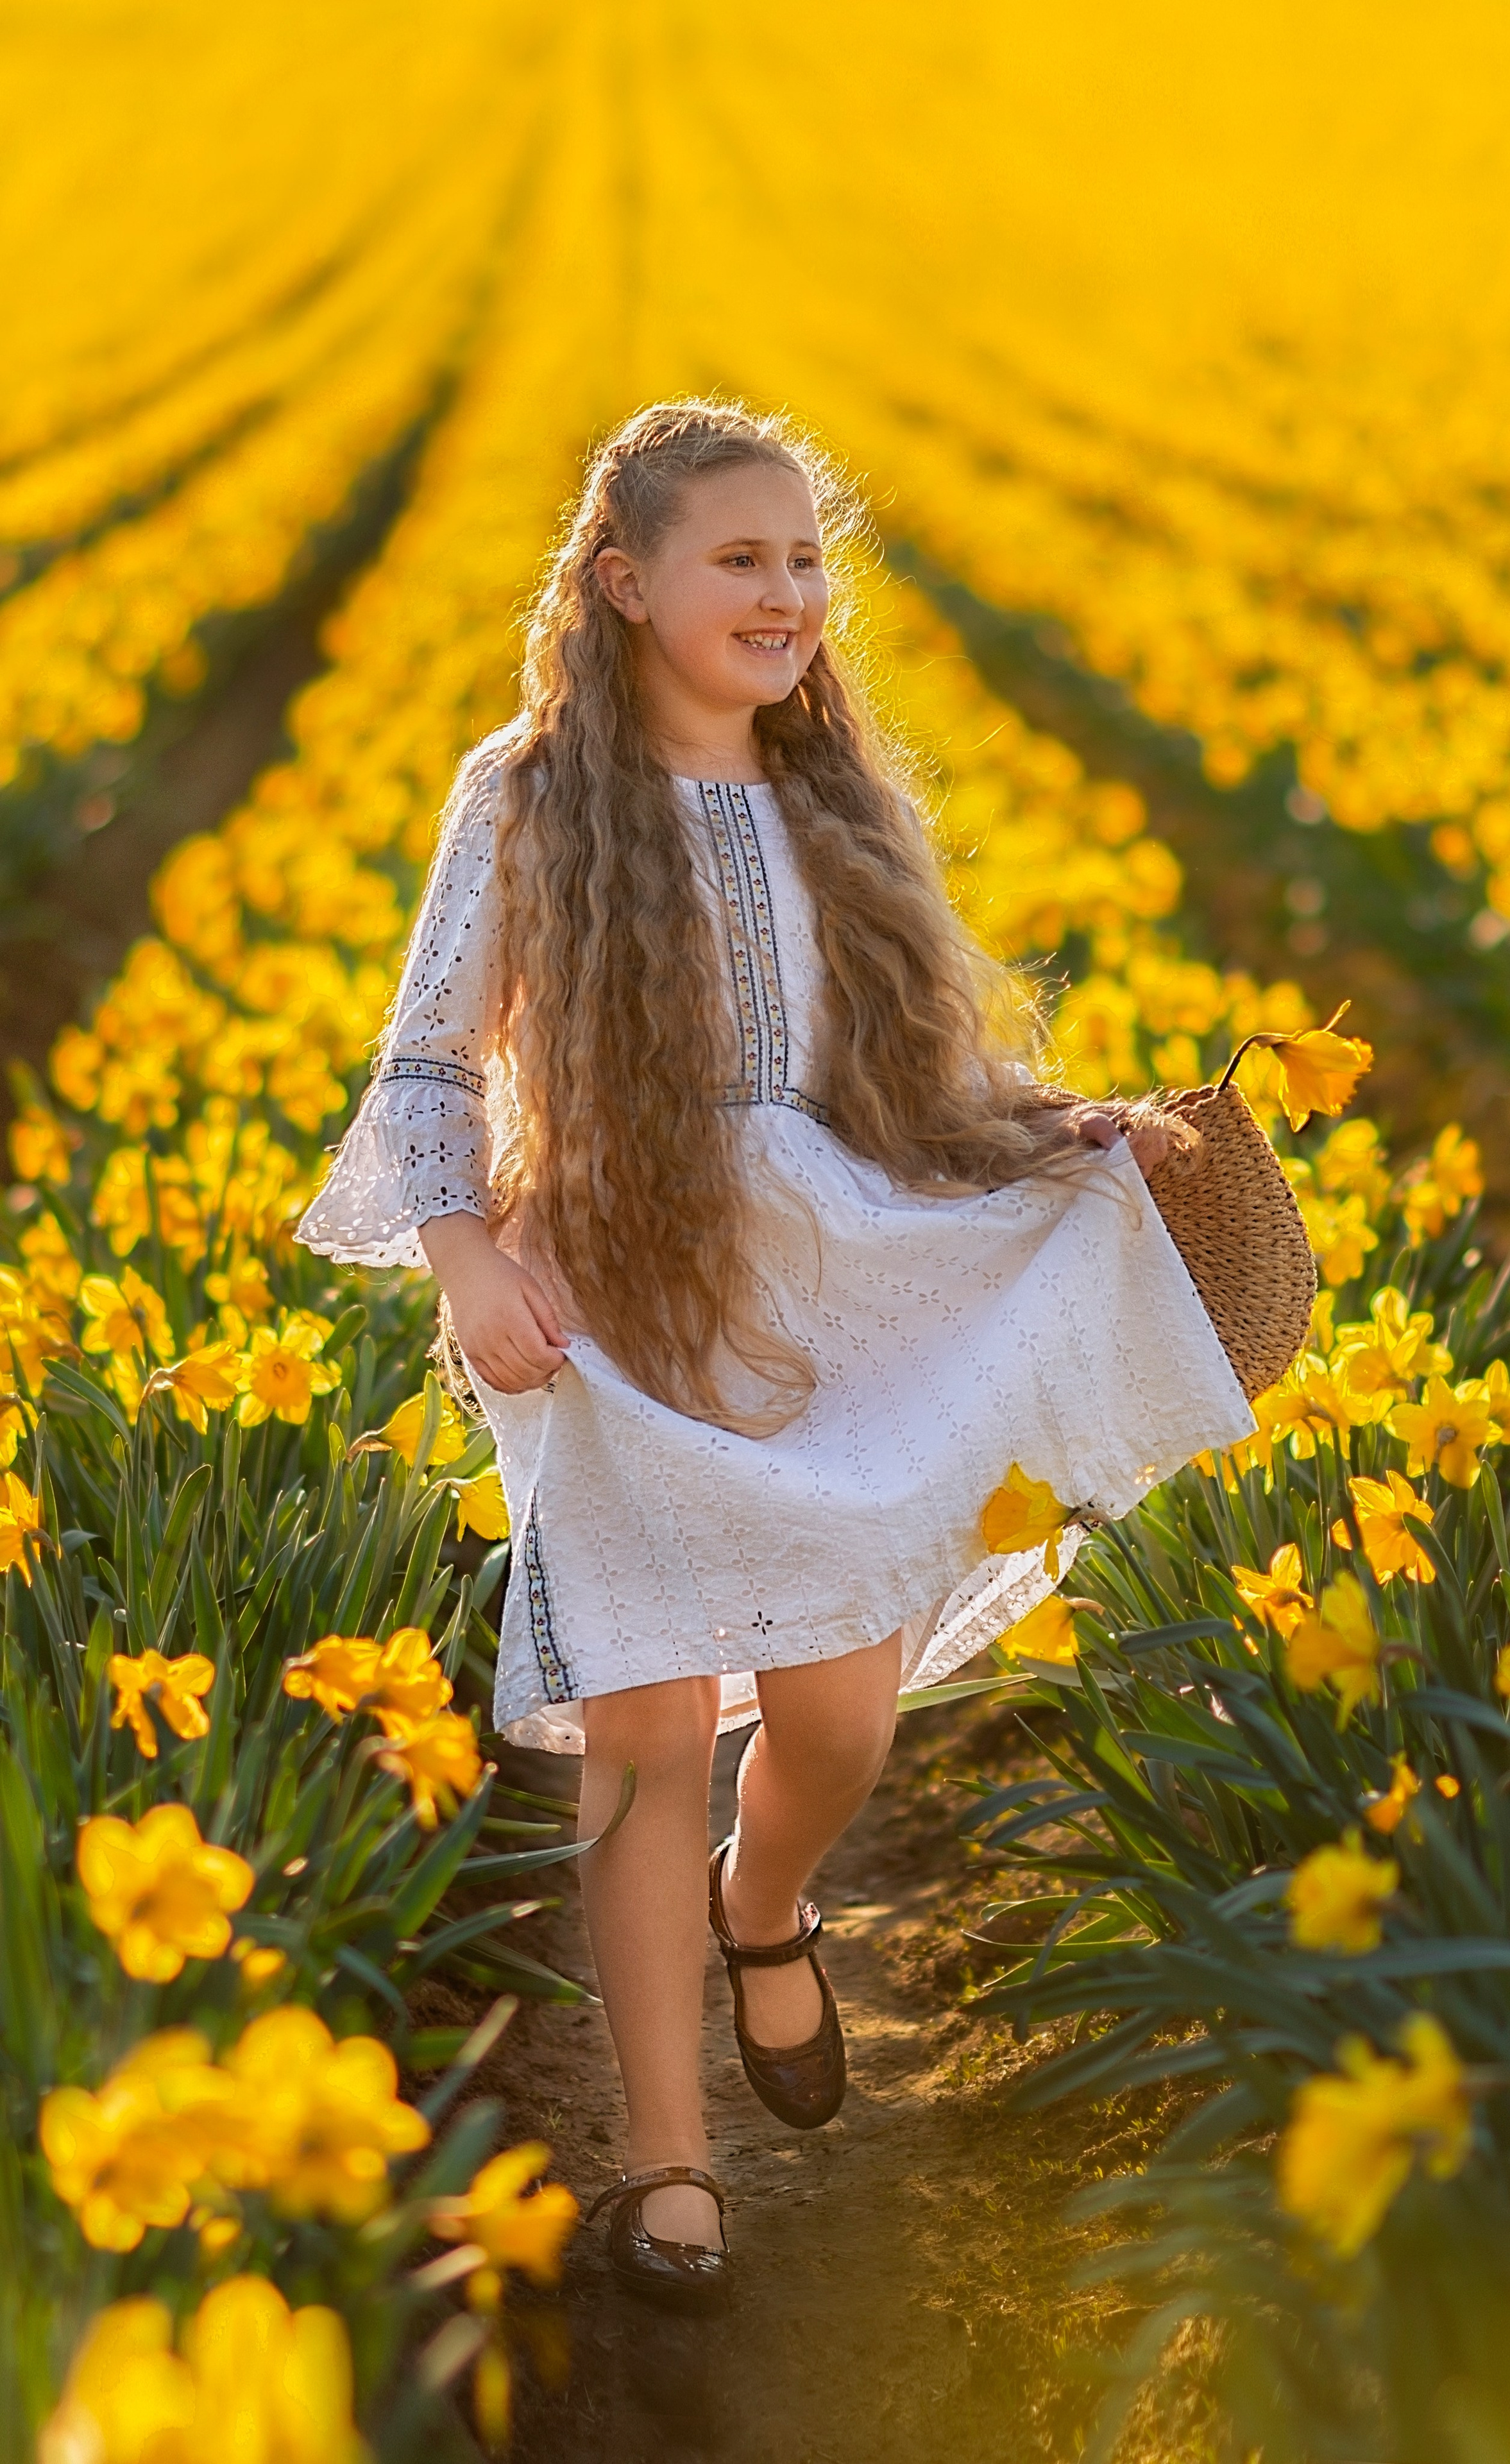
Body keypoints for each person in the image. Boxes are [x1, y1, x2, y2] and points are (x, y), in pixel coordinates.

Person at [298, 399, 1254, 2309]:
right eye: (743, 559)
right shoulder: (527, 793)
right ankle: (670, 2162)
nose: (789, 596)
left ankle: (770, 1903)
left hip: (828, 1280)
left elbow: (911, 1071)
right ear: (625, 582)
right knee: (648, 1742)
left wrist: (1058, 1134)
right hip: (606, 1287)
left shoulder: (839, 800)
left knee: (833, 1723)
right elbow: (423, 1061)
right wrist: (470, 1254)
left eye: (807, 560)